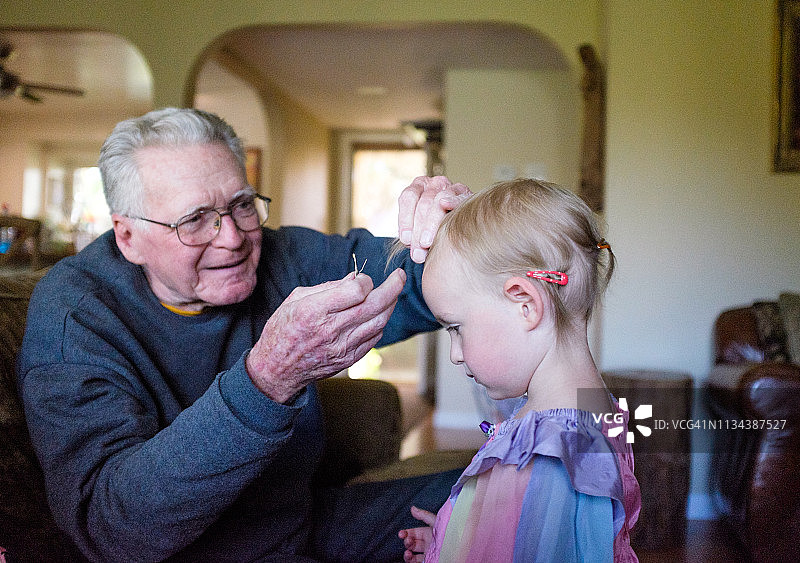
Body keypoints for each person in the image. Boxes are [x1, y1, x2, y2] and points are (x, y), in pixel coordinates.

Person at [17, 107, 471, 562]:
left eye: (241, 205)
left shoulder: (282, 257)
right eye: (194, 219)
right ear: (128, 236)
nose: (233, 238)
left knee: (511, 489)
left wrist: (459, 231)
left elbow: (414, 277)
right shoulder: (75, 317)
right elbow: (114, 529)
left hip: (303, 525)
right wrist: (267, 378)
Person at [398, 179, 641, 562]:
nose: (455, 356)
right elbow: (535, 538)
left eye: (456, 329)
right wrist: (452, 540)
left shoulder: (547, 455)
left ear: (525, 304)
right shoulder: (595, 411)